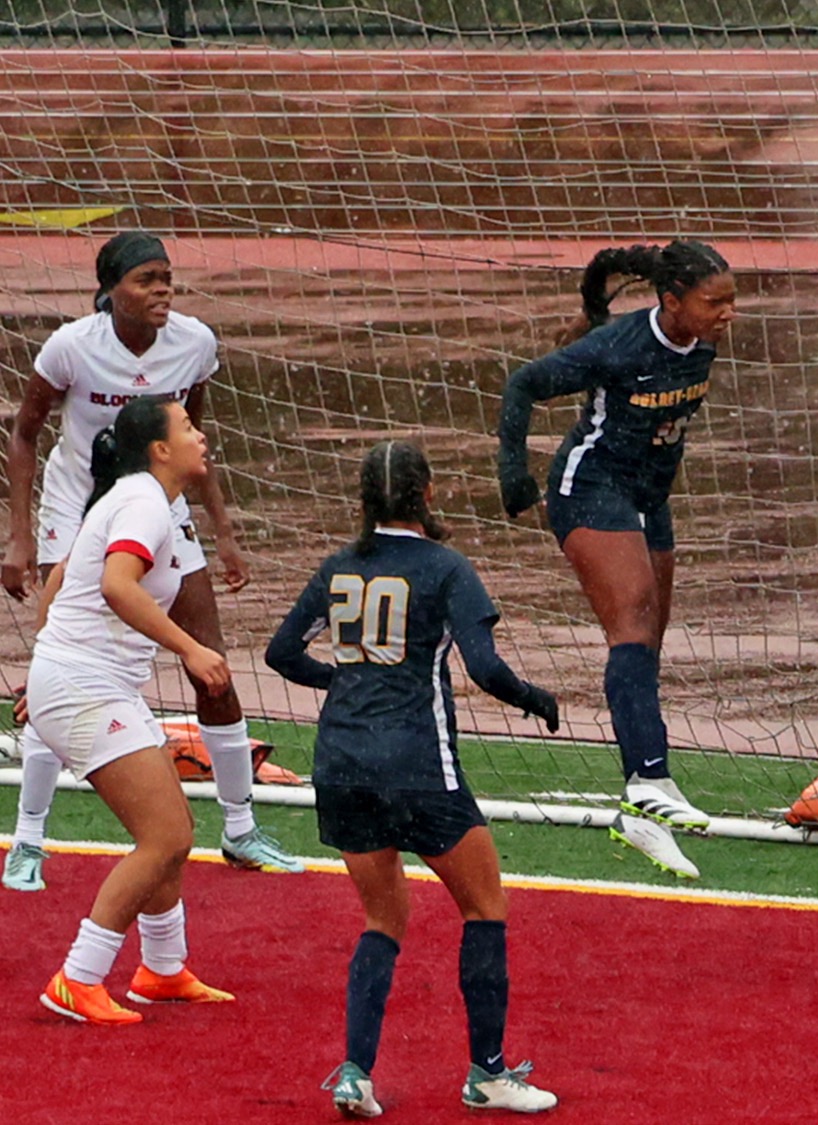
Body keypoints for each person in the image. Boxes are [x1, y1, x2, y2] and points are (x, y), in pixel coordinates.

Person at [264, 440, 561, 1116]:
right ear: (427, 494)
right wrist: (534, 698)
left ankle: (355, 1072)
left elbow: (282, 652)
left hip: (341, 763)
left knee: (382, 916)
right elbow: (484, 667)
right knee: (484, 906)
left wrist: (343, 680)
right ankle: (488, 1073)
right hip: (417, 763)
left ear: (365, 501)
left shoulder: (339, 567)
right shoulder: (446, 568)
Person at [2, 229, 301, 894]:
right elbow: (24, 432)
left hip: (159, 506)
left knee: (211, 664)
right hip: (79, 508)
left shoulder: (194, 343)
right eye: (146, 279)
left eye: (166, 277)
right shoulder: (71, 347)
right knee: (60, 669)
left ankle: (240, 827)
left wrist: (223, 532)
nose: (162, 289)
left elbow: (193, 440)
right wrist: (19, 537)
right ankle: (28, 840)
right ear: (111, 291)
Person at [494, 240, 734, 880]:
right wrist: (516, 481)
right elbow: (523, 385)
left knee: (647, 638)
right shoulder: (621, 347)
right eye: (714, 301)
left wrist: (591, 306)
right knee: (630, 619)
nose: (727, 313)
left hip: (650, 496)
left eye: (731, 300)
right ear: (672, 301)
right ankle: (648, 780)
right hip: (591, 487)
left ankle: (645, 810)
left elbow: (604, 275)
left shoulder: (702, 339)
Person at [30, 396, 237, 1024]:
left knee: (171, 826)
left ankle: (163, 970)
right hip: (86, 686)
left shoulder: (142, 500)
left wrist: (46, 661)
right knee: (167, 835)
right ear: (160, 449)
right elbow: (116, 585)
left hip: (88, 682)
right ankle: (78, 978)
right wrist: (192, 650)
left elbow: (65, 576)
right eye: (189, 428)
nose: (202, 436)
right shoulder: (144, 503)